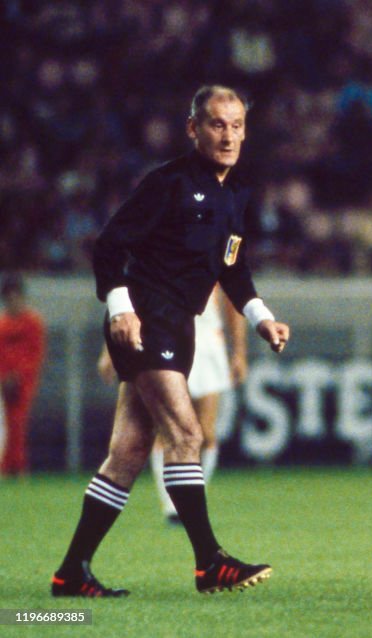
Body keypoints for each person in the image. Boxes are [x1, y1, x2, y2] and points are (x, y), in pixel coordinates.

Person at [51, 84, 290, 598]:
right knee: (186, 436)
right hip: (147, 319)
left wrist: (261, 317)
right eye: (216, 124)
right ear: (193, 129)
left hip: (179, 324)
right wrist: (120, 308)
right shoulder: (167, 183)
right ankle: (210, 562)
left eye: (236, 126)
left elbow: (233, 267)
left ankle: (72, 573)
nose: (227, 136)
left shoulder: (234, 196)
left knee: (127, 454)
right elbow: (109, 246)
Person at [98, 285, 247, 524]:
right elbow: (132, 295)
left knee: (206, 433)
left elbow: (234, 301)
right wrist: (109, 350)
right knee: (167, 428)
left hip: (209, 342)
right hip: (169, 339)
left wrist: (239, 351)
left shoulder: (217, 254)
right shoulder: (160, 254)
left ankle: (194, 496)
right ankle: (171, 505)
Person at [0, 273, 47, 477]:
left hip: (23, 382)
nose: (13, 302)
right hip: (2, 382)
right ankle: (5, 466)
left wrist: (18, 376)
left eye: (15, 297)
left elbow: (35, 355)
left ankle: (17, 467)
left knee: (17, 424)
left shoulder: (33, 323)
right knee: (5, 426)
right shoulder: (2, 325)